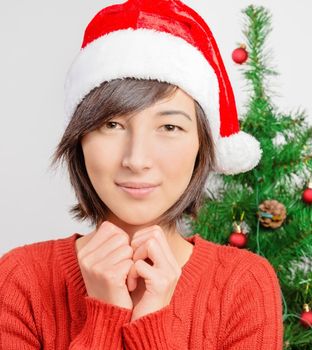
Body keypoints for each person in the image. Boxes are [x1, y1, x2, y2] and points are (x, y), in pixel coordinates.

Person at [0, 0, 283, 349]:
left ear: (201, 145)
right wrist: (105, 316)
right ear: (80, 139)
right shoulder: (21, 278)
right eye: (112, 124)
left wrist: (151, 326)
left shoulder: (244, 284)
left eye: (169, 126)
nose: (137, 159)